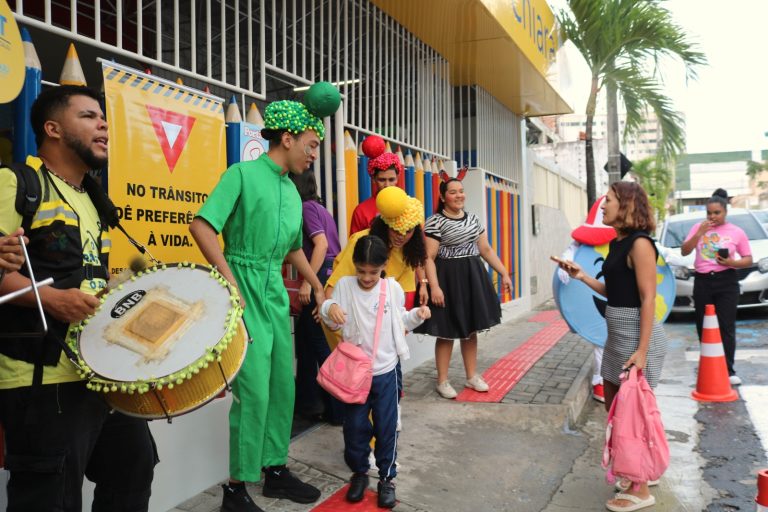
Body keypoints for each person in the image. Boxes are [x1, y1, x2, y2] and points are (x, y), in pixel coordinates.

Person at [0, 85, 157, 511]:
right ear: (52, 129)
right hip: (43, 378)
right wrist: (52, 301)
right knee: (51, 498)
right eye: (88, 116)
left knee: (134, 467)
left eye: (103, 116)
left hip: (101, 372)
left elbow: (89, 276)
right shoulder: (17, 183)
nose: (103, 123)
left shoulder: (93, 200)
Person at [190, 84, 340, 512]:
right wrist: (228, 278)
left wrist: (318, 288)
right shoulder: (240, 174)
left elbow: (293, 247)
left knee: (282, 384)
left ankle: (274, 469)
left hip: (274, 291)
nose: (314, 155)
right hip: (242, 289)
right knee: (253, 389)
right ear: (287, 138)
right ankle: (235, 489)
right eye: (311, 146)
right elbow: (202, 226)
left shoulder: (292, 191)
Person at [557, 181, 668, 512]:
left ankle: (641, 487)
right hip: (616, 337)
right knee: (615, 408)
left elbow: (649, 298)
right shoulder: (618, 244)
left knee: (633, 414)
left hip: (637, 337)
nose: (602, 206)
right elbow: (615, 290)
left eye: (608, 201)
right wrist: (580, 276)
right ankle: (640, 467)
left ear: (627, 206)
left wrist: (643, 351)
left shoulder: (640, 244)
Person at [320, 235, 430, 508]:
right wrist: (329, 308)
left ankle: (386, 478)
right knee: (355, 427)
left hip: (386, 370)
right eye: (361, 270)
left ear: (383, 268)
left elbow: (401, 319)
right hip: (355, 375)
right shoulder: (345, 286)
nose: (367, 277)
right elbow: (329, 316)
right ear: (354, 265)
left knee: (387, 427)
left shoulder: (391, 289)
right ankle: (359, 473)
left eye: (373, 271)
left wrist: (416, 316)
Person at [415, 174, 512, 399]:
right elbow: (428, 257)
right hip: (447, 279)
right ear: (442, 196)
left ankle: (471, 376)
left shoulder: (474, 219)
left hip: (472, 277)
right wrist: (434, 287)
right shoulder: (435, 221)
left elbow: (485, 250)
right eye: (453, 192)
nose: (459, 195)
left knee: (470, 330)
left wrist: (504, 273)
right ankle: (442, 381)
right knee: (447, 332)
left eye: (461, 191)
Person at [288, 169, 344, 424]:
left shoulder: (307, 208)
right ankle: (309, 404)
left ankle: (337, 409)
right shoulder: (321, 209)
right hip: (329, 271)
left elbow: (320, 245)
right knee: (308, 343)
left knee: (320, 345)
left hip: (319, 274)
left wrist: (310, 283)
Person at [681, 188, 752, 386]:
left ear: (725, 212)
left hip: (727, 281)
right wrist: (700, 233)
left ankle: (728, 370)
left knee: (726, 326)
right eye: (709, 213)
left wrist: (731, 262)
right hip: (703, 281)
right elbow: (685, 250)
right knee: (702, 325)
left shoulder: (736, 232)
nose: (712, 216)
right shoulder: (698, 227)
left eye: (717, 213)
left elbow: (748, 259)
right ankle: (709, 366)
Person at [349, 135, 401, 235]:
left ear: (397, 178)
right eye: (382, 180)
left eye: (391, 179)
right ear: (373, 179)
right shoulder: (361, 211)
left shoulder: (408, 206)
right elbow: (355, 245)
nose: (387, 185)